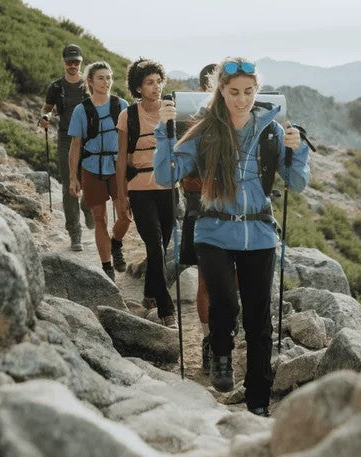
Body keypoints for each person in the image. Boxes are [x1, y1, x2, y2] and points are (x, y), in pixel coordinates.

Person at [155, 57, 310, 417]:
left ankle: (258, 400)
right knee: (224, 301)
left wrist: (297, 149)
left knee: (259, 321)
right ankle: (220, 352)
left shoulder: (272, 131)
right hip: (213, 231)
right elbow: (167, 175)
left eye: (249, 91)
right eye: (234, 91)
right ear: (220, 91)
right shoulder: (204, 130)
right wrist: (163, 133)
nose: (242, 99)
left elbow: (296, 183)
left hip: (259, 234)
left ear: (257, 91)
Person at [117, 58, 177, 329]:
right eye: (149, 83)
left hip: (169, 190)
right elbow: (121, 160)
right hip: (140, 190)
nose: (156, 87)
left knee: (160, 248)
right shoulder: (128, 115)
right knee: (154, 245)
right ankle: (166, 308)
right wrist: (121, 196)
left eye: (158, 81)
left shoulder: (171, 112)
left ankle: (150, 293)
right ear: (138, 88)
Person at [66, 62, 131, 279]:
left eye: (109, 77)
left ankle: (117, 243)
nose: (106, 82)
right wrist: (73, 178)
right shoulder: (81, 110)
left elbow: (130, 140)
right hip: (91, 167)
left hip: (117, 167)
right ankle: (107, 268)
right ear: (90, 82)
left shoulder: (121, 105)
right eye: (101, 78)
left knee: (125, 214)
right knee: (100, 219)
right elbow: (75, 145)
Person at [178, 63, 217, 371]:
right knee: (205, 278)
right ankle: (209, 340)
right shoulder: (191, 120)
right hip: (200, 203)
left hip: (232, 206)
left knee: (232, 279)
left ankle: (220, 336)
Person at [39, 44, 93, 251]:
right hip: (65, 139)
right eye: (69, 62)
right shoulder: (56, 87)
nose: (73, 65)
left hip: (88, 140)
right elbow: (48, 109)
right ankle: (75, 233)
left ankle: (87, 206)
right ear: (63, 62)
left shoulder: (88, 85)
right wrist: (45, 117)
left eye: (76, 62)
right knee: (69, 185)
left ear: (81, 62)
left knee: (88, 180)